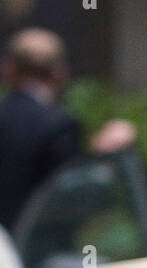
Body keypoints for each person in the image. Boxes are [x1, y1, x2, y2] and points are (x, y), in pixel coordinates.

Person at [0, 27, 82, 232]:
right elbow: (71, 197)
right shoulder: (60, 126)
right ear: (60, 73)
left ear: (8, 69)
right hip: (39, 251)